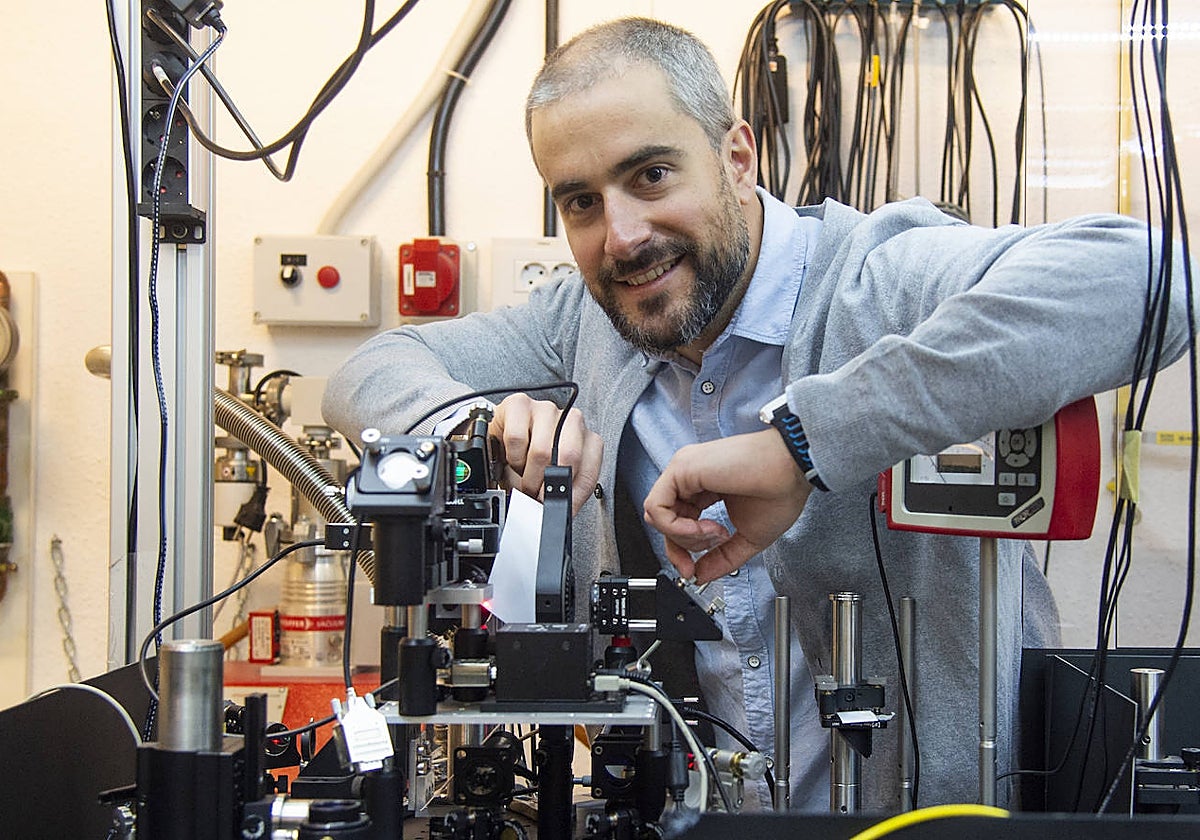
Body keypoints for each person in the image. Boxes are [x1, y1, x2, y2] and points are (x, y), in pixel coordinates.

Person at [323, 16, 1192, 811]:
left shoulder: (879, 279)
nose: (621, 236)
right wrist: (473, 428)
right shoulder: (584, 325)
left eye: (652, 174)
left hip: (927, 814)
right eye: (581, 201)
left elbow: (1154, 282)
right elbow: (372, 368)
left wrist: (806, 442)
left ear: (738, 157)